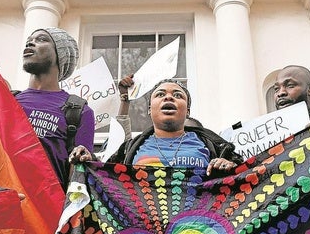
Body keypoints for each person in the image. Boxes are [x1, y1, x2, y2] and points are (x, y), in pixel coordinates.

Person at [70, 78, 243, 175]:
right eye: (160, 94)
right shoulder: (130, 149)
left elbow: (241, 179)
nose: (169, 98)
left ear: (188, 111)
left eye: (177, 95)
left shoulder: (211, 144)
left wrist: (229, 166)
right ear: (149, 110)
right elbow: (108, 179)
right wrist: (90, 161)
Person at [15, 27, 95, 189]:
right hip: (5, 203)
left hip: (50, 207)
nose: (31, 42)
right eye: (29, 39)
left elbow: (80, 174)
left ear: (60, 54)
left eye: (42, 39)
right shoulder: (8, 100)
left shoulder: (79, 111)